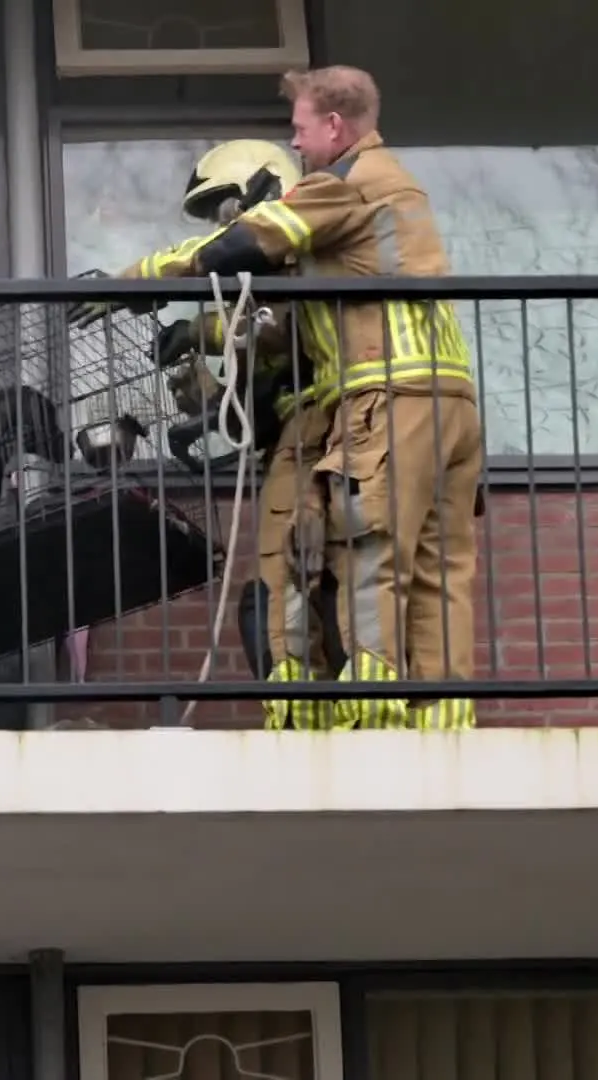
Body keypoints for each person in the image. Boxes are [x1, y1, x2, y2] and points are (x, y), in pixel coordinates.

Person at [171, 66, 482, 731]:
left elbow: (249, 275)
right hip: (433, 402)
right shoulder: (366, 205)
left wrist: (136, 283)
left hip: (368, 404)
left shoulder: (337, 193)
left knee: (355, 557)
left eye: (301, 128)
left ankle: (353, 710)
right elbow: (283, 325)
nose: (297, 138)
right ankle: (438, 717)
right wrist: (206, 341)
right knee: (429, 568)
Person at [76, 139, 344, 730]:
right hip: (294, 443)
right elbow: (252, 403)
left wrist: (198, 328)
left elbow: (283, 331)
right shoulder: (260, 280)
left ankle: (310, 718)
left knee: (290, 582)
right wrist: (200, 409)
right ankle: (302, 715)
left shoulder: (297, 253)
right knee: (281, 587)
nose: (224, 225)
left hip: (319, 439)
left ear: (263, 190)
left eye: (225, 207)